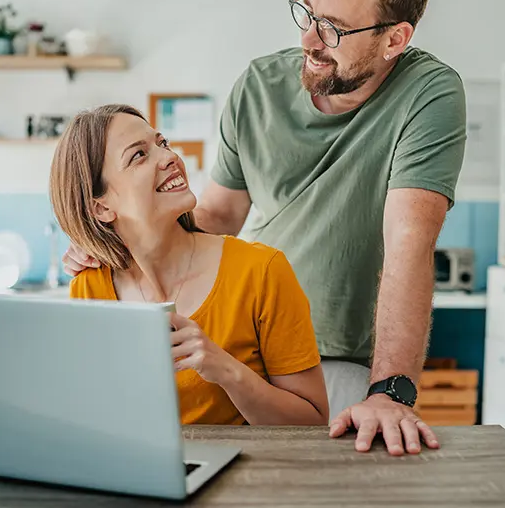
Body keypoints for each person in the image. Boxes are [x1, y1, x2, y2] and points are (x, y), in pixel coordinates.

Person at [64, 0, 465, 456]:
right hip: (248, 344)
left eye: (334, 29)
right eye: (308, 13)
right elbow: (213, 220)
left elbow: (409, 244)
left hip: (344, 356)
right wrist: (114, 244)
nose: (309, 41)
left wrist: (389, 392)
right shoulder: (258, 87)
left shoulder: (428, 94)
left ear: (394, 40)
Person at [49, 104, 329, 427]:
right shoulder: (89, 288)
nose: (169, 157)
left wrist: (225, 370)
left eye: (162, 143)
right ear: (101, 208)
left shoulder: (262, 271)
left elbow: (312, 423)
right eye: (139, 155)